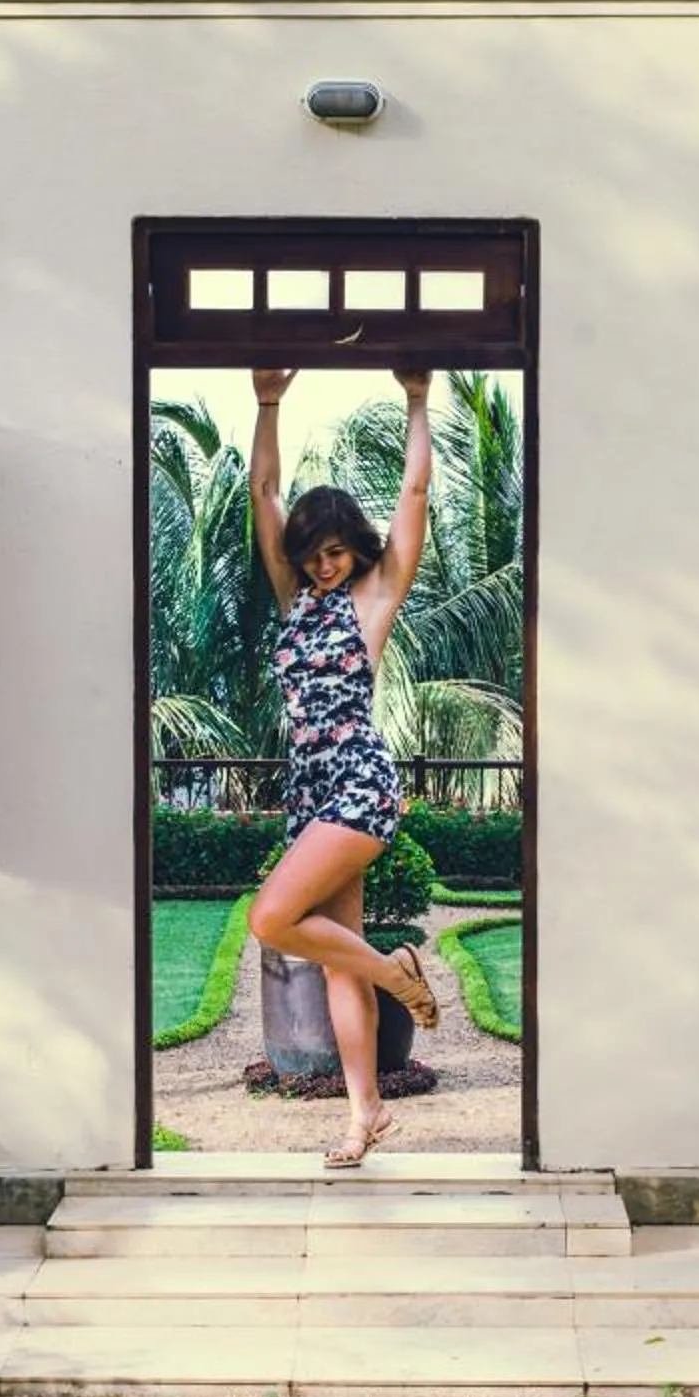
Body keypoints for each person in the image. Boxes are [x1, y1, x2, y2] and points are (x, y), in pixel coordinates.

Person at [244, 365, 442, 1169]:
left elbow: (415, 500)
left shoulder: (374, 599)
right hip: (309, 792)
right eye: (312, 554)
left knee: (271, 920)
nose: (325, 565)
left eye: (336, 552)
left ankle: (398, 974)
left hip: (358, 784)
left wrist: (418, 400)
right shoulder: (296, 601)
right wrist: (267, 401)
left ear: (355, 548)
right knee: (334, 959)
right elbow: (262, 494)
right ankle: (364, 1117)